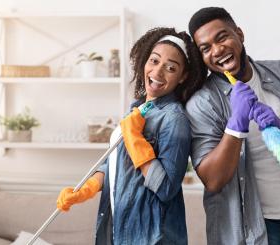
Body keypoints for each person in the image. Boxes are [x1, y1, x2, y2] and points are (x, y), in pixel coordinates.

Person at [185, 7, 280, 245]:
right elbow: (213, 180)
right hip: (249, 231)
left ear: (239, 34)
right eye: (206, 48)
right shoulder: (202, 103)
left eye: (222, 37)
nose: (217, 50)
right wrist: (236, 125)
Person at [56, 27, 206, 245]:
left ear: (183, 77)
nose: (158, 72)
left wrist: (135, 137)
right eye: (154, 61)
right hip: (121, 228)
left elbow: (165, 188)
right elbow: (116, 163)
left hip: (152, 237)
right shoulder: (136, 109)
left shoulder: (174, 120)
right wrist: (86, 190)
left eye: (170, 68)